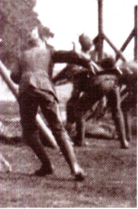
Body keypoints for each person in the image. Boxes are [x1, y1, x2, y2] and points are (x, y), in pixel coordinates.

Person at [10, 28, 97, 181]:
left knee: (29, 131)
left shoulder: (22, 55)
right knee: (58, 128)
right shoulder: (49, 51)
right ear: (43, 41)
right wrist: (87, 61)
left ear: (29, 43)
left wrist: (26, 77)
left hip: (26, 90)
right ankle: (75, 167)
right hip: (45, 88)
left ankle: (47, 165)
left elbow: (14, 76)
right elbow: (71, 55)